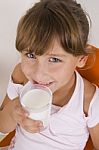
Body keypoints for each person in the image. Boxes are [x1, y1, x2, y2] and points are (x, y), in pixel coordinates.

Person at [0, 0, 99, 149]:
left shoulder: (88, 101)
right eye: (31, 55)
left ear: (81, 59)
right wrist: (13, 113)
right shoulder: (21, 76)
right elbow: (2, 126)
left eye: (54, 59)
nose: (38, 74)